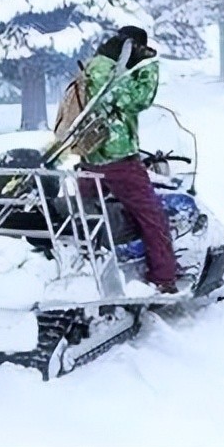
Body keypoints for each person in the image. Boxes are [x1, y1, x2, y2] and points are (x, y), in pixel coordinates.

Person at [79, 26, 180, 293]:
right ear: (132, 46)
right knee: (152, 216)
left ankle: (91, 270)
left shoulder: (99, 65)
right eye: (140, 49)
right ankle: (163, 279)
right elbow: (137, 99)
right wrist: (150, 66)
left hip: (91, 157)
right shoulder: (105, 69)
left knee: (90, 216)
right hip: (116, 157)